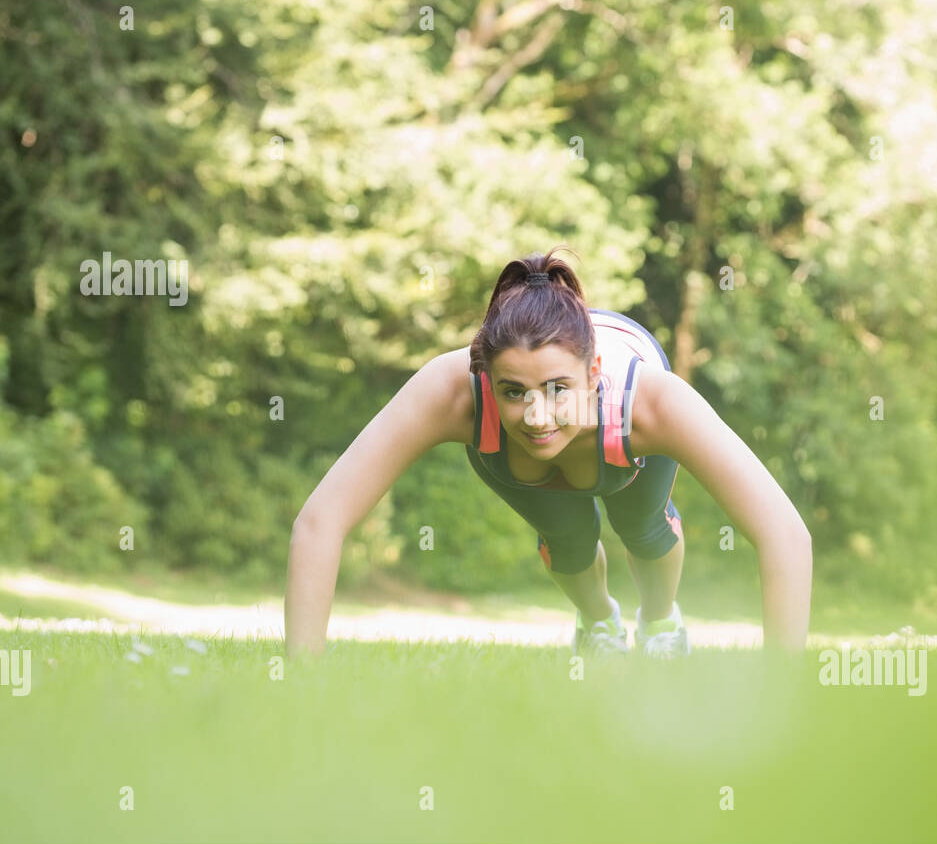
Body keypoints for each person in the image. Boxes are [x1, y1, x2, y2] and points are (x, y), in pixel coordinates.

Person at [285, 247, 812, 660]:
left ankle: (660, 621)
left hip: (622, 444)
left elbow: (784, 534)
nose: (537, 417)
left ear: (593, 372)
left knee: (643, 527)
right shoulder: (450, 392)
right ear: (487, 378)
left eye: (558, 389)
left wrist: (783, 692)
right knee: (568, 540)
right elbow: (321, 520)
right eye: (514, 391)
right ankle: (599, 623)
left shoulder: (654, 403)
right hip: (521, 465)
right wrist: (301, 677)